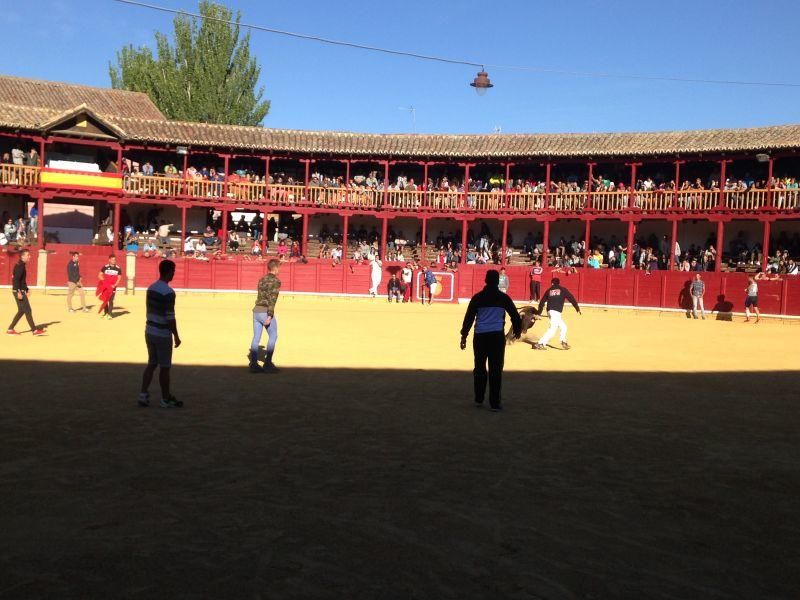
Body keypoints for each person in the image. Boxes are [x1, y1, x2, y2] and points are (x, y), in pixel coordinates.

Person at [460, 269, 522, 411]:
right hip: (496, 337)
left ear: (486, 281)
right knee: (496, 369)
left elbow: (468, 318)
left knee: (480, 368)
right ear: (498, 282)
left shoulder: (478, 298)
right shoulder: (503, 298)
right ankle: (494, 403)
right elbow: (515, 316)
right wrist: (517, 331)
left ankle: (479, 398)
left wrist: (464, 335)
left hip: (480, 337)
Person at [139, 259, 182, 408]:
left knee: (151, 363)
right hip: (162, 333)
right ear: (169, 272)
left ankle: (143, 395)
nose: (174, 274)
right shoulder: (169, 292)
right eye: (173, 271)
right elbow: (170, 317)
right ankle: (165, 399)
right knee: (164, 367)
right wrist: (176, 336)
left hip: (149, 330)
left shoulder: (151, 288)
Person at [249, 259, 281, 373]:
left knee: (256, 338)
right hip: (265, 311)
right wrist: (270, 315)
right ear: (275, 268)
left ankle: (253, 364)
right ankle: (267, 363)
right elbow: (273, 299)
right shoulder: (276, 281)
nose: (280, 270)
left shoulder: (262, 279)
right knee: (273, 336)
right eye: (279, 267)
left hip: (256, 311)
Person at [533, 277, 581, 350]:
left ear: (552, 283)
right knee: (552, 329)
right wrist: (577, 308)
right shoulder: (563, 289)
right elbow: (571, 298)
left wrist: (539, 313)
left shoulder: (549, 290)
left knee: (564, 327)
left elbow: (542, 302)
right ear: (559, 283)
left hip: (550, 311)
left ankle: (563, 341)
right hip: (556, 312)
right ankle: (540, 343)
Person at [7, 250, 45, 335]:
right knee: (28, 310)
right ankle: (34, 330)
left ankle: (10, 329)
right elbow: (16, 280)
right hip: (18, 291)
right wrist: (18, 292)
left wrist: (26, 289)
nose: (29, 256)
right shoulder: (20, 266)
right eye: (28, 255)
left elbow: (21, 281)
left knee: (21, 311)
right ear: (22, 256)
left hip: (19, 290)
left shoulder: (21, 265)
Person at [96, 254, 122, 319]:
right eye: (112, 259)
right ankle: (106, 313)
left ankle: (110, 314)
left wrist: (114, 285)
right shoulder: (105, 267)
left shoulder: (118, 268)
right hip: (105, 286)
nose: (114, 261)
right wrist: (105, 282)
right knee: (105, 299)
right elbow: (99, 275)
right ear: (109, 260)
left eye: (114, 260)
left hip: (113, 287)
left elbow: (119, 278)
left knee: (111, 300)